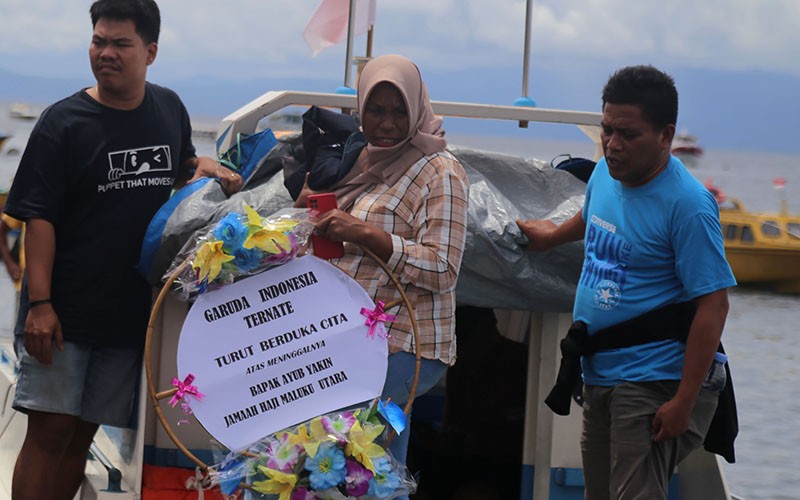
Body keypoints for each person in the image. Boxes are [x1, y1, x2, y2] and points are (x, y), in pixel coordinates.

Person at [2, 1, 242, 499]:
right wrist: (40, 304)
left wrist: (203, 167)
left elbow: (178, 170)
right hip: (62, 311)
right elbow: (39, 219)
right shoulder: (63, 122)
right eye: (99, 41)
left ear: (149, 52)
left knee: (83, 435)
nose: (106, 52)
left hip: (129, 313)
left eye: (120, 43)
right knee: (49, 433)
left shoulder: (168, 109)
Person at [516, 65, 736, 500]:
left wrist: (684, 402)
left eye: (628, 134)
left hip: (652, 378)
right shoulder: (605, 173)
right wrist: (551, 236)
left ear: (665, 136)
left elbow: (714, 306)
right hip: (600, 373)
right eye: (607, 130)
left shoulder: (688, 206)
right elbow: (593, 216)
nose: (612, 144)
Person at [295, 54, 470, 484]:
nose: (387, 123)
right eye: (375, 110)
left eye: (399, 111)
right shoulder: (359, 162)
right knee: (374, 471)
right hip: (354, 342)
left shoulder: (440, 171)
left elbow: (443, 268)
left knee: (358, 467)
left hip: (404, 346)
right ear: (360, 111)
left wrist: (367, 234)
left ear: (417, 109)